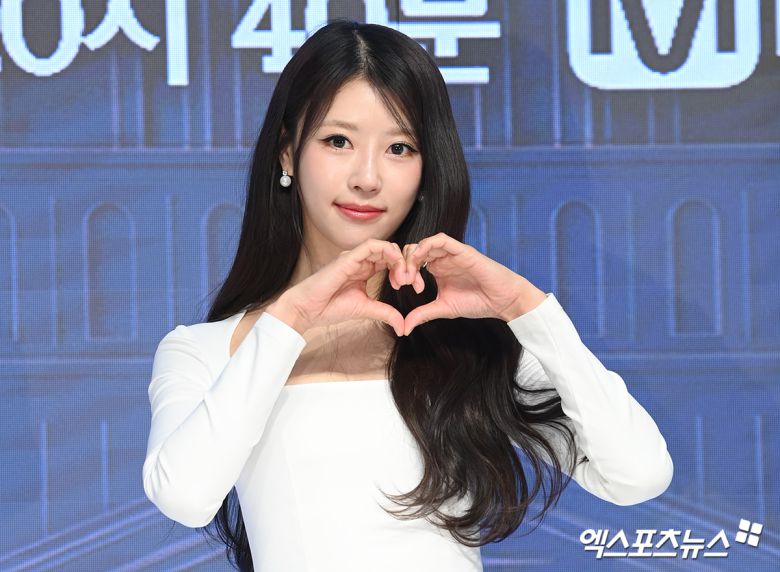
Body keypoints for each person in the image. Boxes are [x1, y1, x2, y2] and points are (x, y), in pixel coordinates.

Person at [142, 19, 673, 572]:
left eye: (399, 147)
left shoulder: (469, 347)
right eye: (338, 141)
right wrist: (290, 319)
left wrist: (525, 309)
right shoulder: (208, 350)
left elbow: (638, 474)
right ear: (286, 152)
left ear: (426, 169)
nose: (367, 177)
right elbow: (184, 495)